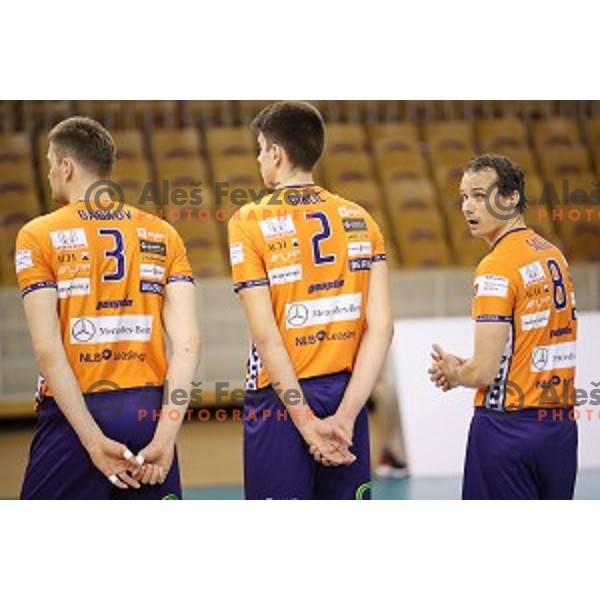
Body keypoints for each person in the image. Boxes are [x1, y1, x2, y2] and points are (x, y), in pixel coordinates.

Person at [16, 116, 201, 499]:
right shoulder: (164, 233)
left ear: (66, 166)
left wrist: (92, 441)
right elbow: (188, 345)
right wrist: (166, 436)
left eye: (50, 163)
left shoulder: (36, 235)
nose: (49, 173)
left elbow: (48, 351)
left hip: (75, 411)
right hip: (148, 412)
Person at [228, 101, 393, 500]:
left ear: (276, 154)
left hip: (279, 397)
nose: (258, 158)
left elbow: (266, 336)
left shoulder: (249, 221)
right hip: (345, 396)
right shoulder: (362, 219)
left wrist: (305, 423)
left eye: (260, 149)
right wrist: (346, 417)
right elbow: (382, 328)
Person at [428, 153, 578, 500]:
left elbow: (483, 373)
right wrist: (468, 364)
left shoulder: (496, 266)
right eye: (463, 197)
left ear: (511, 198)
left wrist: (456, 374)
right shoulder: (553, 254)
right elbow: (521, 348)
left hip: (506, 429)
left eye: (480, 196)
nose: (467, 207)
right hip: (559, 430)